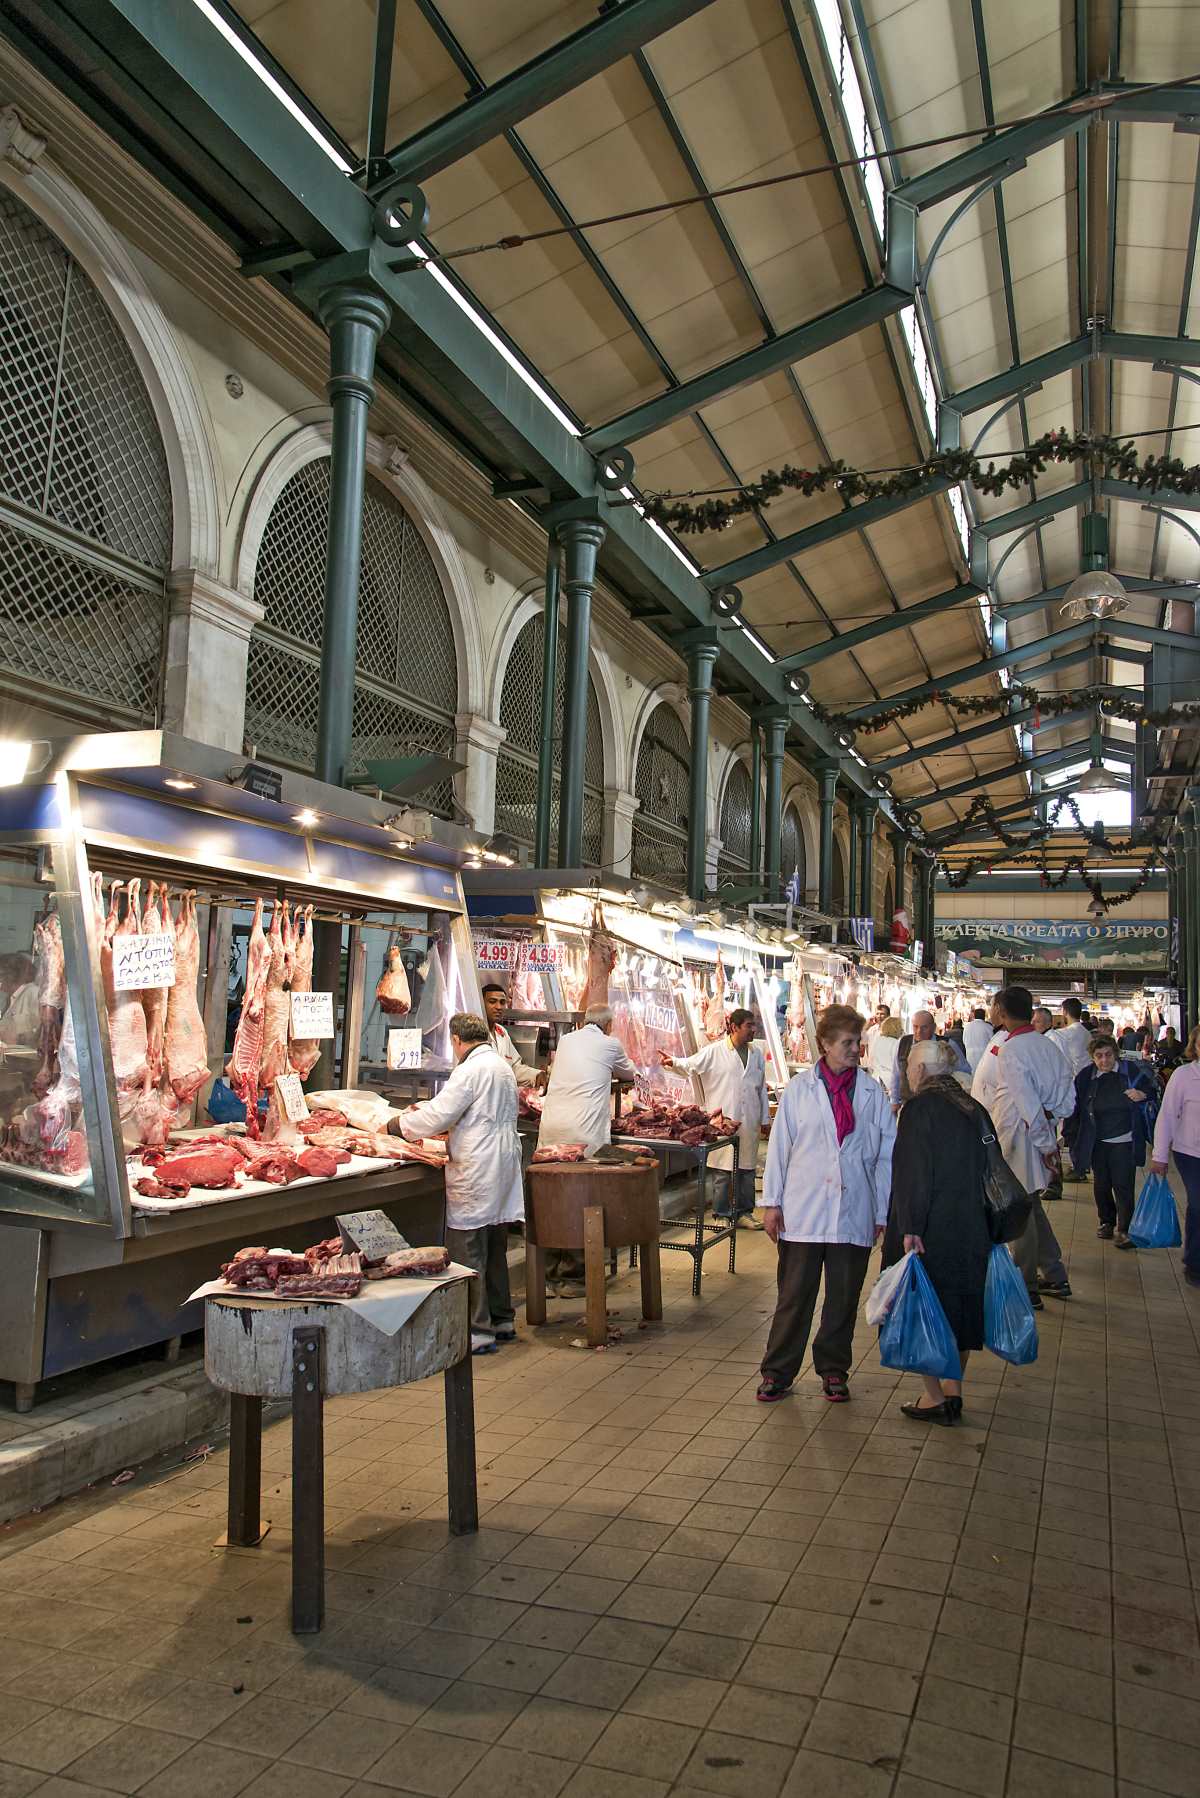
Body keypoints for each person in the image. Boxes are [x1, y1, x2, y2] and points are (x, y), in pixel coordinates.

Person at [756, 1004, 896, 1405]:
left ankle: (833, 1370)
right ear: (826, 1045)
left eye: (858, 1042)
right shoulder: (801, 1090)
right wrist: (772, 1203)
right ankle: (777, 1372)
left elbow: (887, 1155)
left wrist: (882, 1211)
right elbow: (780, 1148)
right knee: (794, 1297)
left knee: (843, 1298)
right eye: (848, 1043)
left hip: (854, 1210)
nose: (856, 1050)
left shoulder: (872, 1092)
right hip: (803, 1208)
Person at [391, 1012, 523, 1355]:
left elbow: (440, 1115)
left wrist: (398, 1126)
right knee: (494, 1244)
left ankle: (477, 1330)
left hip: (477, 1165)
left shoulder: (471, 1069)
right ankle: (502, 1319)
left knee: (468, 1247)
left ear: (456, 1040)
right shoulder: (500, 1065)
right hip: (501, 1163)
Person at [882, 1039, 992, 1426]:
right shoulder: (972, 1106)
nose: (907, 1072)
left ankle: (934, 1398)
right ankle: (953, 1389)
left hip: (929, 1227)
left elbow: (913, 1171)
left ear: (924, 1070)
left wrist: (909, 1226)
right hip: (972, 1225)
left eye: (911, 1064)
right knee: (960, 1307)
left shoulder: (918, 1110)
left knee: (921, 1310)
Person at [537, 1005, 639, 1295]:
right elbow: (628, 1071)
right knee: (582, 1202)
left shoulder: (567, 1041)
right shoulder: (609, 1044)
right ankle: (574, 1278)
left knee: (553, 1200)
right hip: (583, 1134)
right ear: (608, 1026)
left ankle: (547, 1275)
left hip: (552, 1129)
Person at [991, 985, 1076, 1308]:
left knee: (1019, 1209)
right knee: (1031, 1206)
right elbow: (1068, 1099)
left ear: (1001, 1010)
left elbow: (1026, 1105)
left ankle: (1025, 1285)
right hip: (1034, 1135)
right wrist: (1052, 1127)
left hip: (1019, 1139)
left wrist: (1044, 1145)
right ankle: (1054, 1274)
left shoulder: (1014, 1050)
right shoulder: (1048, 1047)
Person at [659, 1007, 769, 1226]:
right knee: (722, 1172)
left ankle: (744, 1213)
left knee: (746, 1170)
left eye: (754, 1025)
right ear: (735, 1027)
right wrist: (674, 1062)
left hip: (749, 1120)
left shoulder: (756, 1054)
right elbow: (692, 1064)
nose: (753, 1030)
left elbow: (761, 1089)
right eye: (749, 1025)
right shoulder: (715, 1051)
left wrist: (765, 1119)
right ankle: (721, 1214)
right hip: (723, 1120)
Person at [1063, 1034, 1158, 1247]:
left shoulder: (1130, 1071)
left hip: (1125, 1140)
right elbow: (1074, 1108)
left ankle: (1125, 1229)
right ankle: (1106, 1221)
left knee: (1123, 1184)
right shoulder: (1086, 1077)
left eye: (1108, 1055)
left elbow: (1152, 1091)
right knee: (1102, 1184)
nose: (1104, 1060)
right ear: (1092, 1058)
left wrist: (1142, 1094)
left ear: (1116, 1053)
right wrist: (1071, 1137)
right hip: (1096, 1141)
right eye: (1099, 1056)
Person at [1149, 1025, 1200, 1287]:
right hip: (1190, 1153)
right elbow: (1167, 1115)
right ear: (1195, 1046)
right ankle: (1194, 1262)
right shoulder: (1183, 1076)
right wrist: (1159, 1155)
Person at [481, 983, 541, 1087]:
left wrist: (536, 1075)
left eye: (502, 1002)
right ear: (481, 1003)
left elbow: (513, 1068)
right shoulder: (473, 1033)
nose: (498, 1007)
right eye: (492, 1002)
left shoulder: (502, 1032)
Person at [1049, 996, 1094, 1079]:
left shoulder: (1060, 1034)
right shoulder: (1087, 1034)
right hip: (1087, 1078)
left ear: (1065, 1012)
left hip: (1069, 1080)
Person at [0, 953, 38, 1047]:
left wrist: (20, 1039)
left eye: (1, 975)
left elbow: (45, 1030)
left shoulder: (33, 992)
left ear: (11, 975)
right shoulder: (12, 999)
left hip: (28, 1059)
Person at [869, 1014, 903, 1092]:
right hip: (891, 1082)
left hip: (876, 1078)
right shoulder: (896, 1043)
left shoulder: (877, 1041)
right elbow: (897, 1065)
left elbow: (871, 1061)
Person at [963, 1006, 993, 1074]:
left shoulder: (967, 1027)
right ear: (984, 1016)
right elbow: (993, 1042)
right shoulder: (988, 1027)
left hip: (970, 1056)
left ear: (974, 1016)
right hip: (984, 1056)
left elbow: (964, 1041)